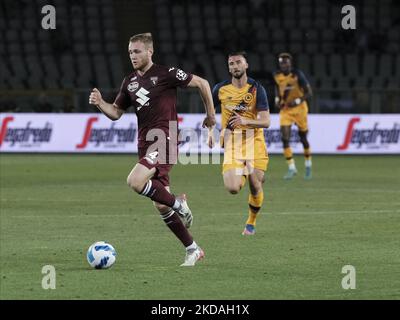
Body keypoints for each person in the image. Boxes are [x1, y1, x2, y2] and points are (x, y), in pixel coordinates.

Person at [89, 33, 216, 266]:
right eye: (130, 52)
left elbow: (203, 84)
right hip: (145, 143)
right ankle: (193, 249)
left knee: (135, 181)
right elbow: (116, 112)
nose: (133, 56)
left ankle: (178, 203)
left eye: (137, 51)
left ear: (150, 52)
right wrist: (100, 104)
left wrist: (210, 115)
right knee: (160, 204)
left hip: (164, 138)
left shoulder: (167, 74)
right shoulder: (129, 82)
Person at [212, 51, 270, 236]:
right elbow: (210, 115)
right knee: (233, 188)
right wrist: (210, 132)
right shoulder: (219, 89)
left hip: (254, 142)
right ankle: (249, 170)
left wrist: (245, 121)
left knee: (255, 185)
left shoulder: (257, 89)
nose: (234, 66)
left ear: (246, 65)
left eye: (238, 62)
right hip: (232, 144)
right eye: (231, 64)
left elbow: (266, 121)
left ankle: (251, 223)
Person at [273, 53, 313, 180]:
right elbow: (277, 89)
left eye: (286, 62)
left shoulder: (297, 75)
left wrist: (296, 101)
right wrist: (277, 99)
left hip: (300, 109)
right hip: (286, 110)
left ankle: (308, 164)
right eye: (282, 63)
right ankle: (291, 168)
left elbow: (309, 93)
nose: (284, 65)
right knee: (285, 138)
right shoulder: (277, 75)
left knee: (303, 138)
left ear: (290, 63)